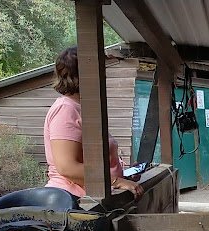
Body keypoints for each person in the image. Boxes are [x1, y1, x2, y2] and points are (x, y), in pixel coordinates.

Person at [43, 47, 142, 199]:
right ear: (85, 73)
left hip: (93, 197)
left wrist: (123, 174)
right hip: (74, 201)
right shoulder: (66, 110)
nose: (105, 75)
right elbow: (67, 167)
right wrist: (116, 181)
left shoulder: (83, 108)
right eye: (101, 69)